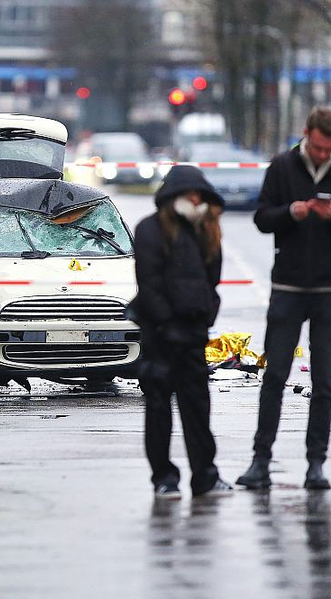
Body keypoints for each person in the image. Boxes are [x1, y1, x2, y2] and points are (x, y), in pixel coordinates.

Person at [237, 106, 331, 491]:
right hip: (288, 287)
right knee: (275, 375)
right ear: (306, 134)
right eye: (316, 148)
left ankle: (316, 464)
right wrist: (292, 212)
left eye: (327, 149)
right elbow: (262, 218)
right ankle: (260, 460)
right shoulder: (282, 166)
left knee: (324, 381)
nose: (321, 155)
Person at [130, 165, 232, 500]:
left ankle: (205, 476)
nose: (196, 199)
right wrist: (164, 323)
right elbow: (150, 284)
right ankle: (164, 477)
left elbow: (211, 284)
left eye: (199, 194)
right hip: (160, 337)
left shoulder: (208, 230)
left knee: (198, 410)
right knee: (159, 410)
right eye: (190, 193)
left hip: (191, 336)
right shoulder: (150, 229)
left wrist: (204, 319)